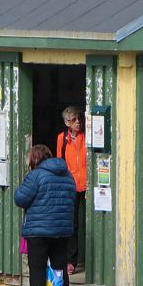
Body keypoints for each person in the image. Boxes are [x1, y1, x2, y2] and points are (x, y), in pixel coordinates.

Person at [14, 144, 76, 286]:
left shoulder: (35, 176)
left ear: (34, 159)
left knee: (38, 269)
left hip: (39, 231)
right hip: (62, 230)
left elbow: (20, 198)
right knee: (59, 269)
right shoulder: (67, 175)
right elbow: (72, 198)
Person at [55, 106, 86, 275]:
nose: (78, 122)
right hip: (71, 186)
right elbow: (60, 162)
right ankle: (71, 261)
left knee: (89, 223)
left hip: (87, 184)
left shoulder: (86, 137)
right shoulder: (62, 139)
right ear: (67, 122)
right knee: (72, 224)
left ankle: (90, 259)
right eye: (74, 119)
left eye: (79, 118)